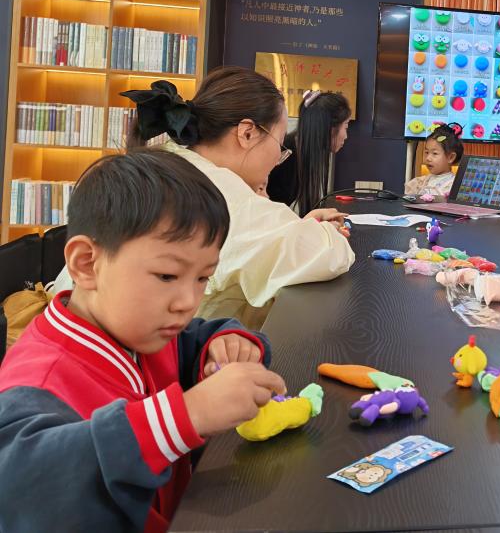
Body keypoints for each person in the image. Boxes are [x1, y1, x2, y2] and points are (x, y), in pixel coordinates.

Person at [0, 149, 286, 532]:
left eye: (203, 278)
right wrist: (186, 415)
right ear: (87, 263)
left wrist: (227, 342)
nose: (187, 302)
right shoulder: (39, 381)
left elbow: (193, 341)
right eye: (167, 276)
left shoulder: (143, 330)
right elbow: (24, 486)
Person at [54, 68, 356, 321]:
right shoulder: (220, 194)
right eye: (279, 145)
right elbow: (330, 255)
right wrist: (324, 231)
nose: (278, 157)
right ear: (247, 133)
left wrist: (294, 223)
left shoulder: (168, 160)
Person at [266, 89, 352, 216]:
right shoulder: (285, 156)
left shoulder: (304, 151)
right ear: (329, 128)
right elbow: (271, 215)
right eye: (346, 126)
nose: (346, 136)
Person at [405, 124, 463, 198]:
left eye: (434, 153)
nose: (428, 158)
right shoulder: (419, 182)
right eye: (426, 152)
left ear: (451, 157)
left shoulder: (454, 186)